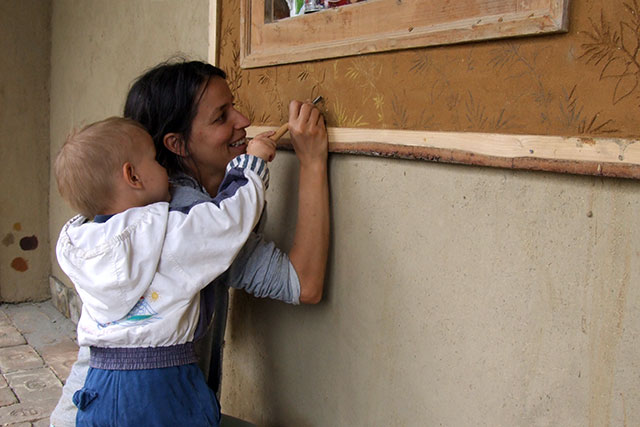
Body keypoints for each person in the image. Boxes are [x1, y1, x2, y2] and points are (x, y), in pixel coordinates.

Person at [50, 59, 329, 426]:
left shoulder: (105, 227)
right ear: (176, 144)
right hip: (152, 407)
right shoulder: (182, 222)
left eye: (234, 106)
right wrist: (310, 161)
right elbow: (303, 282)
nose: (243, 120)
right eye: (221, 116)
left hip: (90, 406)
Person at [54, 116, 277, 425]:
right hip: (162, 390)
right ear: (133, 176)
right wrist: (252, 165)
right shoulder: (165, 234)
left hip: (100, 389)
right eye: (156, 160)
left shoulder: (79, 246)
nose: (165, 169)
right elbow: (227, 221)